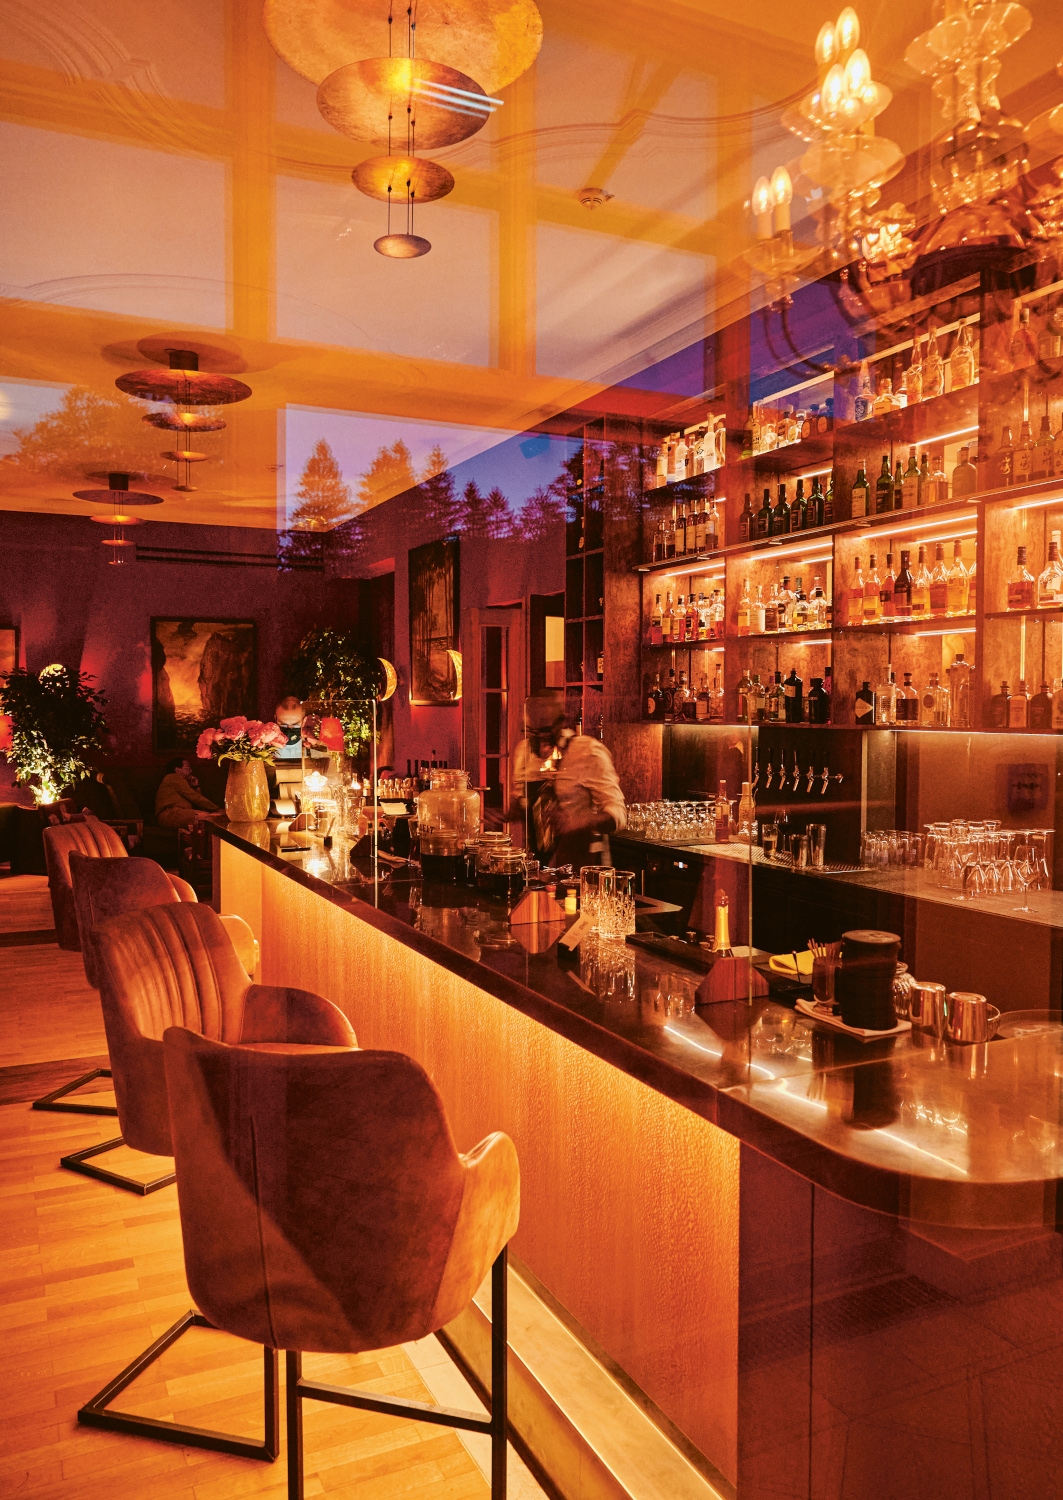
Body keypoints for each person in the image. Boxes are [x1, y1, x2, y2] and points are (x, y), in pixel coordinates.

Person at [522, 692, 626, 869]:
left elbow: (618, 815)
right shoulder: (524, 753)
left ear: (561, 722)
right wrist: (505, 815)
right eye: (532, 731)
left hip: (583, 867)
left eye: (545, 731)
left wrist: (578, 821)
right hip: (541, 868)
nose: (539, 739)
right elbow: (528, 806)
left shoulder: (588, 752)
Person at [155, 757, 220, 830]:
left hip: (177, 814)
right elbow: (195, 798)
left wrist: (196, 786)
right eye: (188, 768)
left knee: (212, 817)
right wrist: (217, 809)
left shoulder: (180, 780)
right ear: (177, 769)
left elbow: (196, 800)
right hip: (170, 815)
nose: (191, 771)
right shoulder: (174, 777)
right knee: (211, 818)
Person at [273, 695, 305, 760]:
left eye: (295, 725)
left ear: (304, 721)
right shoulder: (265, 749)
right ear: (275, 718)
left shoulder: (314, 749)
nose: (289, 729)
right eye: (283, 724)